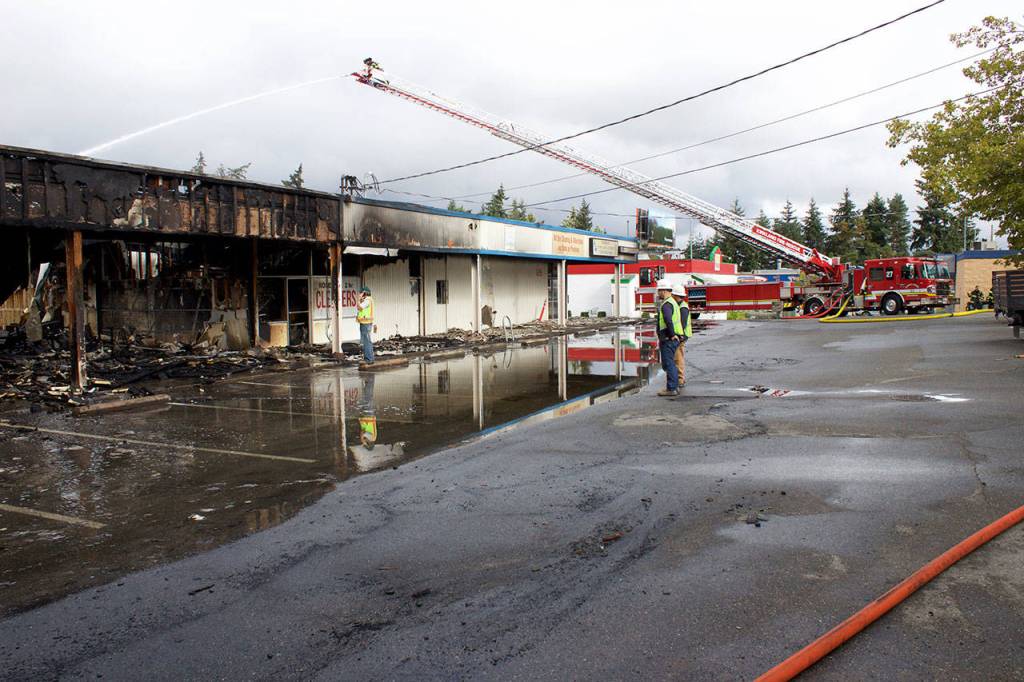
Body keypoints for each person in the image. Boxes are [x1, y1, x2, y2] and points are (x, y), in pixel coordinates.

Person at [655, 279, 683, 396]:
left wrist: (672, 335)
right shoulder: (673, 302)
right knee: (671, 363)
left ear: (663, 291)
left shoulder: (666, 304)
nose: (658, 293)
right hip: (674, 337)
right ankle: (674, 387)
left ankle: (671, 388)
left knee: (668, 363)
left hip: (668, 338)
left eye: (659, 291)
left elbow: (668, 320)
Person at [671, 283, 693, 386]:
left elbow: (682, 323)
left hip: (682, 335)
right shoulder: (680, 305)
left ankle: (680, 379)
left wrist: (679, 336)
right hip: (681, 335)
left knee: (678, 357)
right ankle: (679, 378)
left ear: (676, 295)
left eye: (672, 295)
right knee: (677, 357)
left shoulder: (683, 307)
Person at [357, 286, 375, 363]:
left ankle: (369, 359)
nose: (359, 294)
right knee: (366, 341)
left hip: (366, 323)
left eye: (361, 293)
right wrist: (360, 300)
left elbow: (360, 307)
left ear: (364, 293)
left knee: (366, 341)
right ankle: (369, 358)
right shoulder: (367, 300)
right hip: (365, 323)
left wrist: (358, 300)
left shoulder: (367, 300)